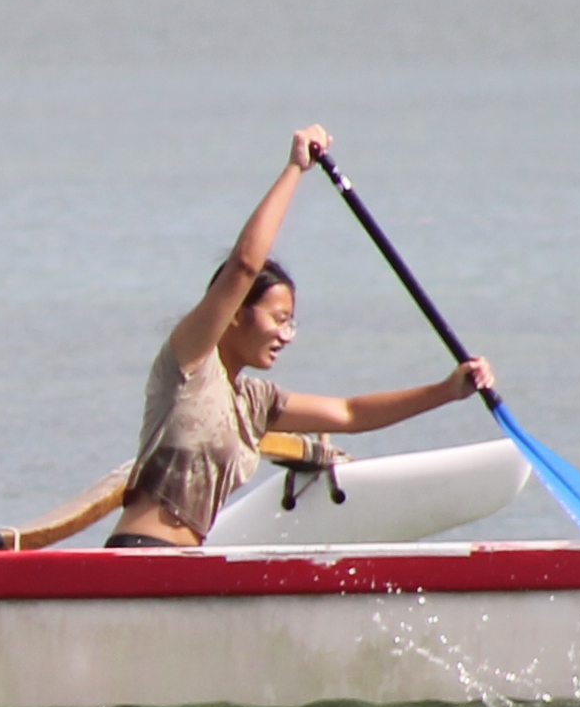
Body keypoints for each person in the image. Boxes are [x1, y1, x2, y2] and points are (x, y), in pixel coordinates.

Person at [108, 127, 495, 547]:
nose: (286, 335)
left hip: (188, 561)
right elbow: (244, 265)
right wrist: (295, 168)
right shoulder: (191, 361)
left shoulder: (255, 402)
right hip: (141, 554)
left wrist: (447, 390)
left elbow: (350, 414)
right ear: (235, 314)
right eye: (278, 319)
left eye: (291, 323)